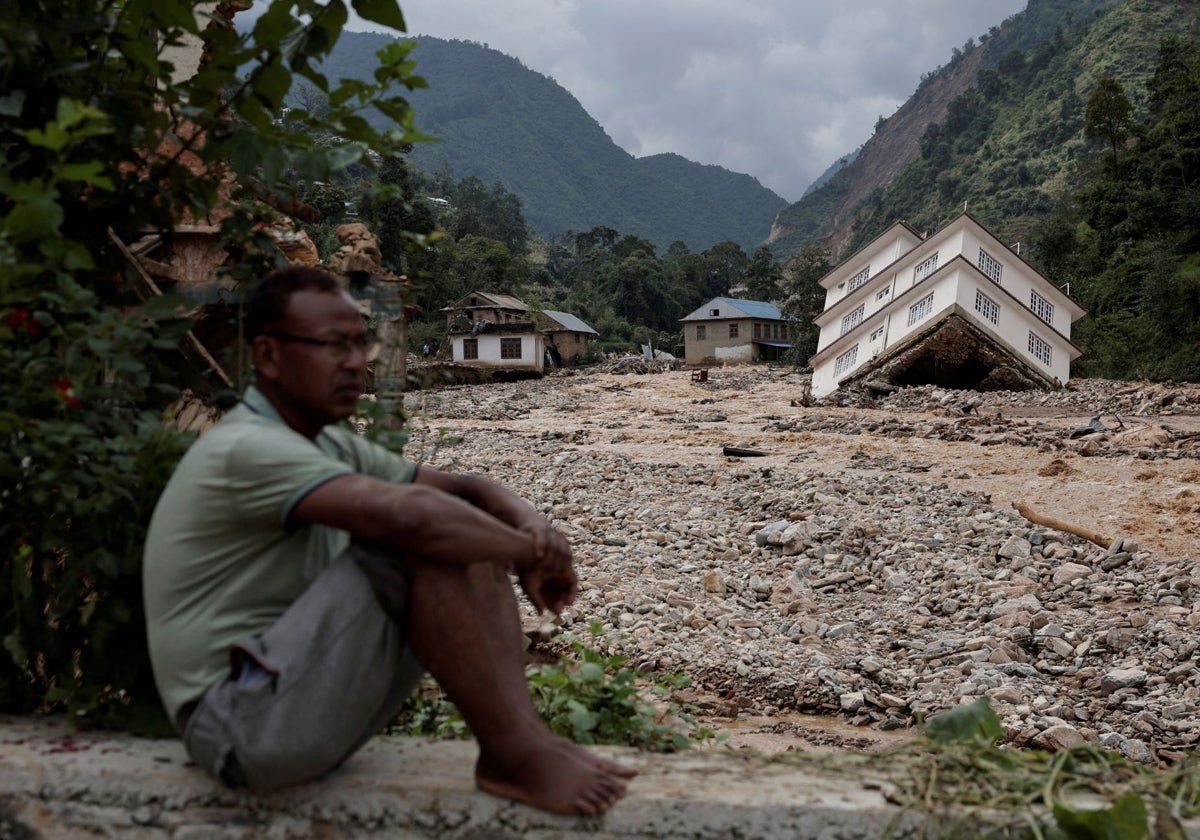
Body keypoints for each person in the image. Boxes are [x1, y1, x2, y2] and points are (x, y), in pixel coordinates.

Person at [142, 265, 635, 815]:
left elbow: (469, 488)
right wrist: (530, 554)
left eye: (360, 343)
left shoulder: (326, 442)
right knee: (428, 537)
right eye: (334, 346)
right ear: (268, 357)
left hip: (287, 700)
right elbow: (420, 520)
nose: (357, 363)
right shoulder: (248, 448)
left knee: (455, 528)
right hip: (237, 728)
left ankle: (523, 741)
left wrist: (538, 530)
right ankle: (515, 753)